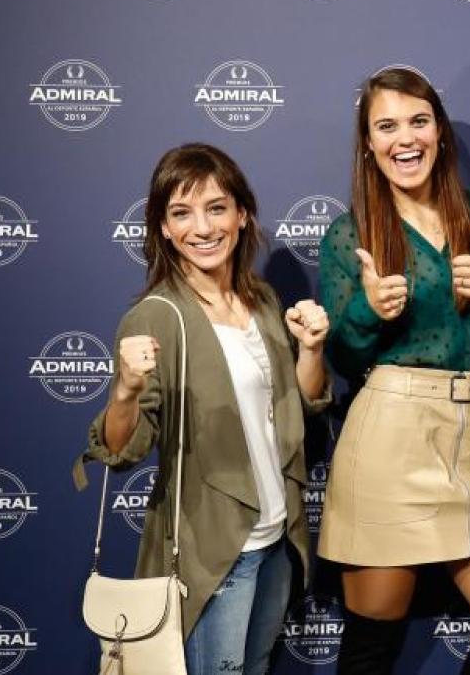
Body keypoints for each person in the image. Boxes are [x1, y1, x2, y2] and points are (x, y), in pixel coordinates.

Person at [76, 143, 331, 675]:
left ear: (242, 215)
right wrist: (124, 390)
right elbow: (123, 451)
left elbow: (300, 405)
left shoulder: (260, 299)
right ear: (163, 228)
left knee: (255, 666)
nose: (203, 227)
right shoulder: (157, 316)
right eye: (181, 212)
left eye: (217, 208)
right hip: (214, 549)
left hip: (277, 535)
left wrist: (310, 350)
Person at [317, 67, 470, 674]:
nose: (404, 138)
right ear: (368, 142)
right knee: (372, 645)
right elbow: (341, 358)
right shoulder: (351, 233)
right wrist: (370, 310)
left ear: (439, 131)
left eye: (418, 121)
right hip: (390, 438)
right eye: (385, 126)